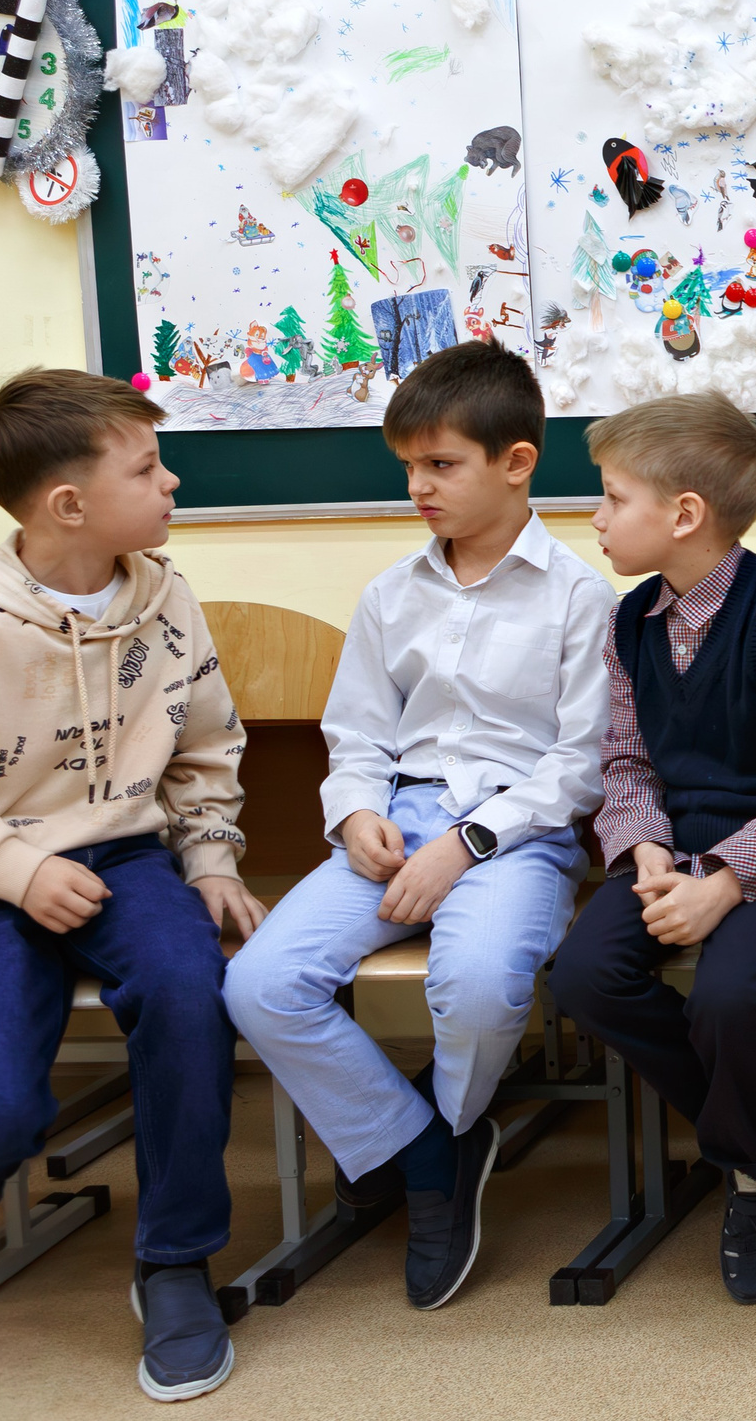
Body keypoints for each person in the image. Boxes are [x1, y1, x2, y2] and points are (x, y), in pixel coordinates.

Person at [0, 369, 265, 1402]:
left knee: (189, 994)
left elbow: (204, 746)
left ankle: (174, 1260)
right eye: (148, 467)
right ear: (69, 504)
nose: (172, 482)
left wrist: (210, 859)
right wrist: (18, 869)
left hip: (123, 857)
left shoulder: (166, 599)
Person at [222, 340, 611, 1310]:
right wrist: (355, 810)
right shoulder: (391, 595)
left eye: (440, 464)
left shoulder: (580, 596)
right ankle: (431, 1152)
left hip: (517, 833)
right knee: (259, 983)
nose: (417, 487)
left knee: (476, 984)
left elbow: (580, 764)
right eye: (408, 466)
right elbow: (356, 732)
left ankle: (438, 1131)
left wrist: (465, 843)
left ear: (516, 462)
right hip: (399, 817)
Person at [546, 392, 756, 1306]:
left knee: (729, 995)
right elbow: (626, 759)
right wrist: (644, 849)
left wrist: (725, 883)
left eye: (613, 497)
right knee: (583, 977)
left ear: (684, 513)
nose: (596, 516)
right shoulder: (629, 622)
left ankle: (750, 1179)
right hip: (677, 848)